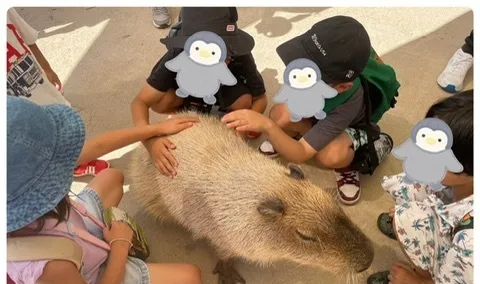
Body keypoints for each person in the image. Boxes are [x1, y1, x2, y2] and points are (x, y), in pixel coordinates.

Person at [7, 96, 202, 284]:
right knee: (191, 281)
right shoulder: (49, 265)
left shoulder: (19, 183)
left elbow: (98, 146)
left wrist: (154, 130)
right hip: (90, 280)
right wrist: (119, 245)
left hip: (74, 228)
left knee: (112, 178)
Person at [222, 15, 398, 205]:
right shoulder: (311, 76)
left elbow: (301, 154)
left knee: (329, 155)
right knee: (278, 116)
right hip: (319, 114)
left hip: (348, 126)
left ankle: (350, 164)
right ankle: (292, 138)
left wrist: (267, 127)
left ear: (342, 87)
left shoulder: (349, 101)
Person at [368, 91, 473, 284]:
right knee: (414, 185)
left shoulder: (472, 242)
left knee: (407, 219)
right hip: (458, 213)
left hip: (467, 264)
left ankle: (429, 282)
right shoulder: (462, 177)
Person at [132, 7, 267, 176]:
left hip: (224, 89)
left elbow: (261, 98)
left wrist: (241, 131)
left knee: (245, 102)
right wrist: (150, 141)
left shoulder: (240, 53)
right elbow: (140, 102)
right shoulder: (176, 53)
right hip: (185, 87)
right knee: (160, 102)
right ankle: (182, 112)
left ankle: (221, 115)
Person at [7, 8, 108, 177]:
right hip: (14, 107)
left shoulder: (7, 11)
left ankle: (78, 160)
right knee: (33, 139)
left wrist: (47, 68)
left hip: (38, 84)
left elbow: (27, 38)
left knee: (65, 122)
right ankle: (70, 166)